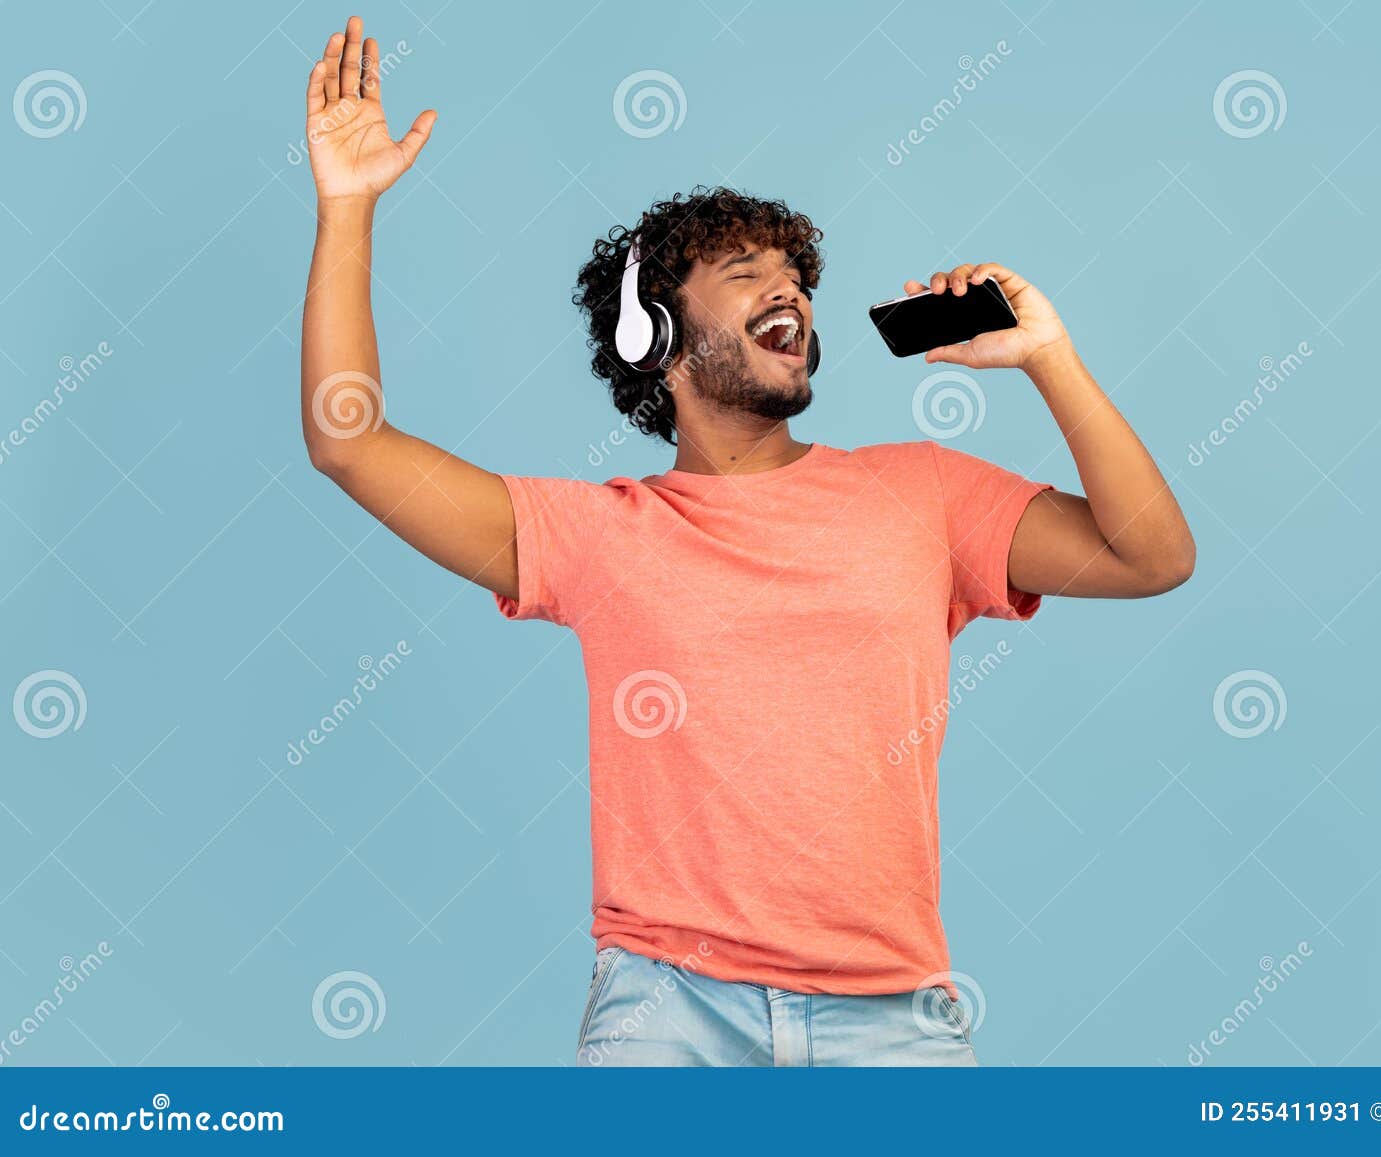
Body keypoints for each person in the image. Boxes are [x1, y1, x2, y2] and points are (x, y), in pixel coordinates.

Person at [300, 16, 1195, 1066]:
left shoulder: (923, 492)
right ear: (655, 339)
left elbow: (1150, 556)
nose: (789, 291)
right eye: (741, 270)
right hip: (667, 1010)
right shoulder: (597, 533)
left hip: (894, 1018)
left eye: (796, 278)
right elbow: (348, 442)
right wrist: (348, 208)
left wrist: (1052, 358)